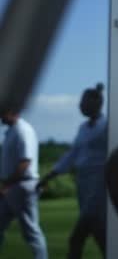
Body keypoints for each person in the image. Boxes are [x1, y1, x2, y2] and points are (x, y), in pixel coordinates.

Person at [37, 83, 108, 258]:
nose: (80, 106)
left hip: (99, 185)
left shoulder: (107, 126)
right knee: (100, 235)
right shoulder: (83, 128)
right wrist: (49, 176)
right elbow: (72, 154)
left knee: (77, 237)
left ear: (95, 104)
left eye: (83, 102)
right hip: (83, 185)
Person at [0, 108, 48, 259]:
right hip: (15, 186)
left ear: (12, 112)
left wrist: (7, 184)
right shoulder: (12, 131)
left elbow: (25, 162)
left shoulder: (23, 130)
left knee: (31, 231)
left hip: (22, 186)